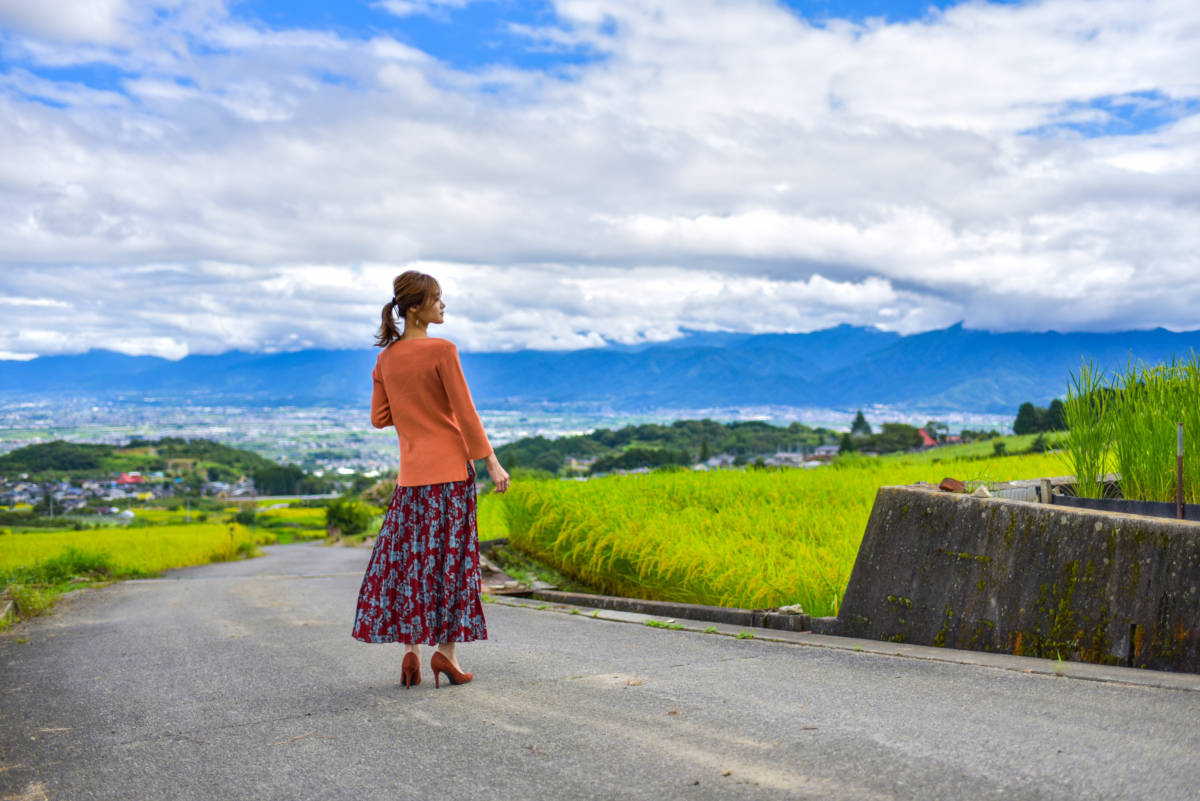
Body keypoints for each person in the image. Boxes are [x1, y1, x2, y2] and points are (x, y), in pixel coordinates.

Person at [351, 270, 510, 689]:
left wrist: (407, 402)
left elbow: (379, 418)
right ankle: (447, 655)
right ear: (416, 307)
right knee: (452, 565)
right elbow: (466, 412)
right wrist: (492, 463)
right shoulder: (443, 350)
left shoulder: (385, 360)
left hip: (411, 481)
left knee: (413, 564)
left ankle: (410, 651)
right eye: (437, 299)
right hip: (451, 477)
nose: (443, 305)